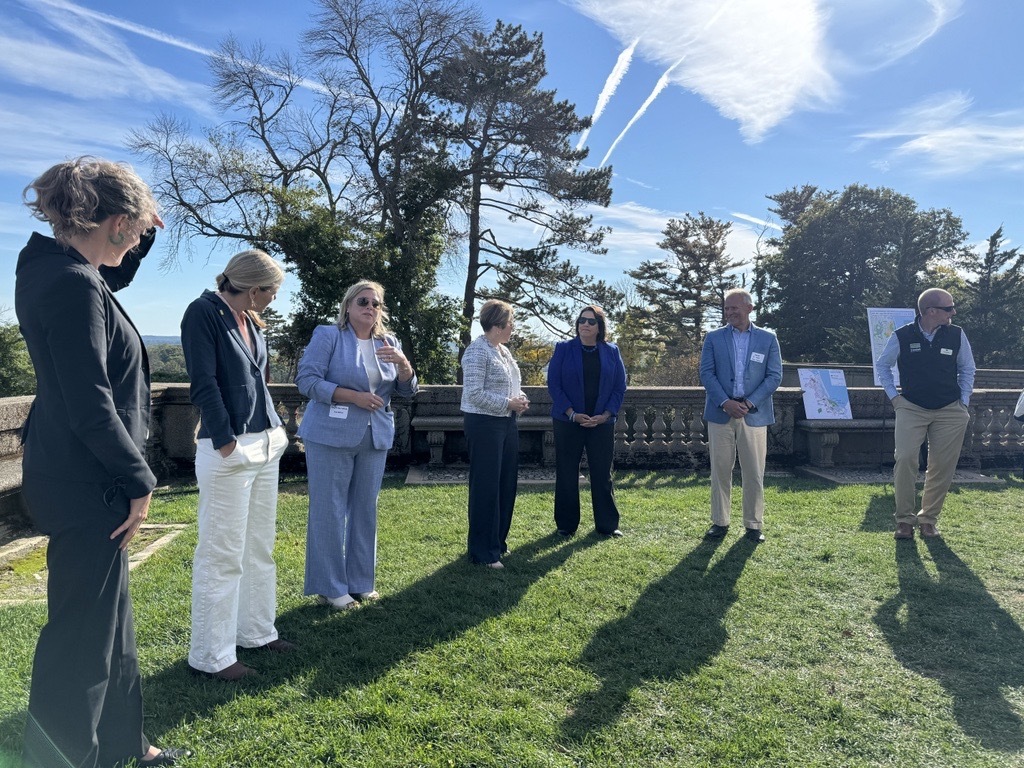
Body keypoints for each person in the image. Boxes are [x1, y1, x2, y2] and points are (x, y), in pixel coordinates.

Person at [15, 157, 190, 766]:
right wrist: (138, 478)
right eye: (136, 229)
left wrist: (140, 245)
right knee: (81, 639)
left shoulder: (54, 265)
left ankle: (125, 745)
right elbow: (88, 399)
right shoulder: (68, 282)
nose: (139, 237)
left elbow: (104, 285)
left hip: (79, 472)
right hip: (86, 477)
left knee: (110, 626)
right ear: (114, 222)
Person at [182, 248, 293, 681]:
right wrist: (226, 441)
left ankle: (257, 631)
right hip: (229, 450)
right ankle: (212, 657)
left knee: (260, 547)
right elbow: (203, 382)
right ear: (251, 287)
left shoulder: (250, 319)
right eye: (271, 291)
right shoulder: (203, 313)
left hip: (266, 444)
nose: (272, 299)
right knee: (221, 554)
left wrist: (275, 429)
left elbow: (256, 382)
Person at [295, 280, 418, 610]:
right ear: (348, 306)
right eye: (363, 301)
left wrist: (405, 367)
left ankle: (361, 582)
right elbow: (307, 381)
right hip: (330, 435)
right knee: (329, 509)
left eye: (376, 303)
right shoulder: (329, 335)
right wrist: (353, 397)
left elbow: (406, 393)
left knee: (366, 509)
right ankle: (331, 587)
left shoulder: (389, 342)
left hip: (375, 436)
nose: (370, 307)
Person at [875, 287, 975, 540]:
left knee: (942, 466)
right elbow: (882, 365)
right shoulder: (902, 335)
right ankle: (904, 520)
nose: (953, 312)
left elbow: (967, 368)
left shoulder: (957, 335)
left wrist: (963, 402)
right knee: (906, 459)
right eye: (949, 308)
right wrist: (895, 398)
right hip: (911, 407)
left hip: (950, 409)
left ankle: (928, 520)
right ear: (931, 311)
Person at [699, 288, 783, 543]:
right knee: (720, 470)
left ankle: (753, 524)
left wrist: (748, 403)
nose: (729, 312)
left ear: (749, 308)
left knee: (754, 472)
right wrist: (725, 402)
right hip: (720, 412)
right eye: (726, 308)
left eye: (734, 308)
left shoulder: (768, 339)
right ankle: (720, 522)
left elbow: (774, 376)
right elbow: (706, 374)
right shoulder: (713, 338)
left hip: (753, 414)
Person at [547, 305, 628, 537]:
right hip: (568, 421)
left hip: (601, 423)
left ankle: (607, 525)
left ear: (599, 326)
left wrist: (605, 415)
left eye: (591, 322)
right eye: (582, 320)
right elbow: (554, 385)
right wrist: (572, 413)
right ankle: (566, 525)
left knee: (602, 473)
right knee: (567, 472)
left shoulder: (612, 351)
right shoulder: (563, 349)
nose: (585, 324)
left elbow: (619, 387)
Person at [460, 299, 530, 568]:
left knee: (505, 484)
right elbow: (474, 394)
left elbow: (511, 385)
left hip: (506, 423)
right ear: (498, 325)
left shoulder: (502, 351)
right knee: (486, 487)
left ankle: (497, 544)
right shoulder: (477, 352)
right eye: (510, 322)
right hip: (484, 425)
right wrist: (507, 404)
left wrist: (519, 399)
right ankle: (482, 552)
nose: (513, 327)